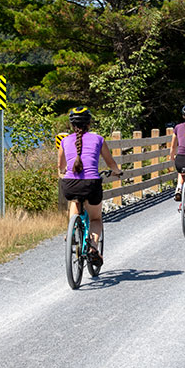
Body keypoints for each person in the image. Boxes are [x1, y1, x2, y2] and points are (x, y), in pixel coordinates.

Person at [57, 107, 122, 267]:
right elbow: (110, 162)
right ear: (89, 123)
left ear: (71, 124)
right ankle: (93, 247)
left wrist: (64, 171)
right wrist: (117, 171)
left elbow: (61, 166)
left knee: (75, 199)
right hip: (92, 184)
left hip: (70, 185)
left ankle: (71, 231)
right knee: (95, 218)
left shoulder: (64, 141)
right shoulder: (98, 139)